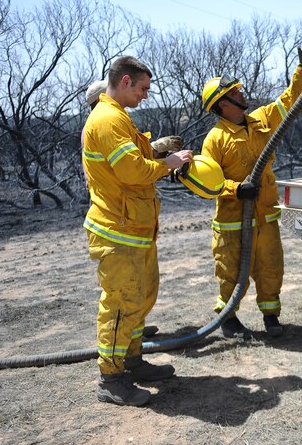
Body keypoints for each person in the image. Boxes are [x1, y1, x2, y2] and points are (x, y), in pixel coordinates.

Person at [82, 56, 193, 406]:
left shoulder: (119, 118)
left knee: (139, 300)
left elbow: (134, 157)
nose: (146, 95)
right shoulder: (108, 119)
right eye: (143, 88)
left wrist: (157, 151)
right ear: (125, 81)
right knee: (119, 304)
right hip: (117, 230)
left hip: (135, 229)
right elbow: (131, 171)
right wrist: (167, 165)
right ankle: (111, 379)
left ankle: (132, 361)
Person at [200, 51, 302, 339]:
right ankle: (228, 320)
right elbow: (205, 183)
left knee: (271, 267)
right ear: (224, 104)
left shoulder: (261, 120)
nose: (242, 92)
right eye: (235, 91)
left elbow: (291, 100)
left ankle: (271, 316)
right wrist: (236, 189)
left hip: (264, 218)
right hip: (233, 223)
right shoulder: (215, 140)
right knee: (231, 274)